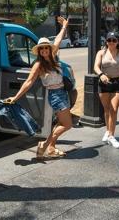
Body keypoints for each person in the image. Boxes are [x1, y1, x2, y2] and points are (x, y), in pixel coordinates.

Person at [6, 16, 72, 158]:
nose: (43, 50)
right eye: (41, 49)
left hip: (62, 92)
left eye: (45, 48)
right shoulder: (38, 65)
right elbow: (28, 82)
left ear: (49, 48)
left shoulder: (53, 56)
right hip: (56, 95)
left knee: (61, 122)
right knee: (67, 124)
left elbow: (59, 39)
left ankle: (51, 148)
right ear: (39, 51)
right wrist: (16, 97)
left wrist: (64, 26)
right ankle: (45, 144)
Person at [94, 32, 119, 148]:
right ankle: (108, 130)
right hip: (104, 83)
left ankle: (111, 136)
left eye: (114, 40)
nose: (111, 42)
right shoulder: (101, 52)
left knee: (113, 109)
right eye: (109, 40)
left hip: (117, 83)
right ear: (106, 41)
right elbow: (96, 66)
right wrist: (101, 74)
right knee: (106, 109)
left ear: (118, 41)